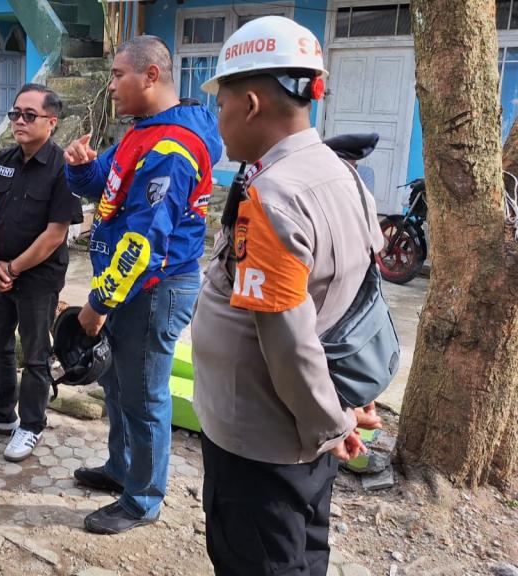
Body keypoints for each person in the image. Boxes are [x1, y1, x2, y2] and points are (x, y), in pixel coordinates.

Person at [191, 16, 384, 575]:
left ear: (250, 104)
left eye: (221, 104)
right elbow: (356, 299)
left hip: (264, 441)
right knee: (301, 552)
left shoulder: (273, 195)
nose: (218, 120)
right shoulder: (339, 171)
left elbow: (288, 341)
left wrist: (333, 425)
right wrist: (345, 403)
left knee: (262, 560)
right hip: (307, 425)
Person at [63, 36, 222, 534]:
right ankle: (121, 470)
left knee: (145, 393)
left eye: (117, 75)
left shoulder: (172, 147)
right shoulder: (140, 132)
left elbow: (144, 241)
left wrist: (97, 304)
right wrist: (82, 167)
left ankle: (143, 499)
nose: (110, 87)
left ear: (151, 76)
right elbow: (104, 187)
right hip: (129, 283)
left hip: (153, 287)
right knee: (116, 383)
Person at [0, 84, 81, 462]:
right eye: (15, 114)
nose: (20, 121)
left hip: (38, 278)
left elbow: (55, 234)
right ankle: (1, 415)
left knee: (36, 354)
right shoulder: (4, 158)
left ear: (51, 121)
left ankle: (31, 425)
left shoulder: (64, 169)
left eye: (30, 115)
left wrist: (10, 267)